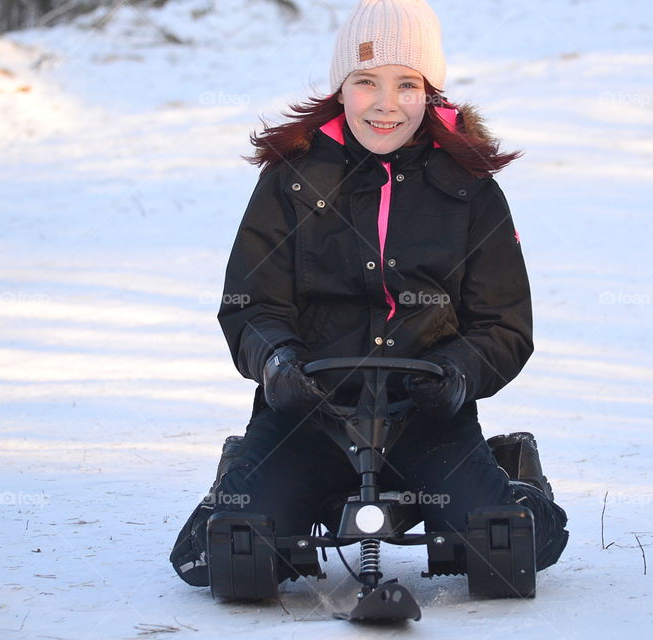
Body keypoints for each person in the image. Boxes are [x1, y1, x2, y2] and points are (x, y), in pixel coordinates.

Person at [170, 0, 568, 590]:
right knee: (223, 560)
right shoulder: (291, 177)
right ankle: (240, 472)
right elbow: (250, 305)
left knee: (507, 549)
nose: (386, 103)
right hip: (308, 413)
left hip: (427, 419)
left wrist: (456, 374)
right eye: (366, 82)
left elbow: (504, 323)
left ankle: (513, 471)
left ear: (430, 92)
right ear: (341, 88)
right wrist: (278, 363)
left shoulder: (470, 188)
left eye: (407, 84)